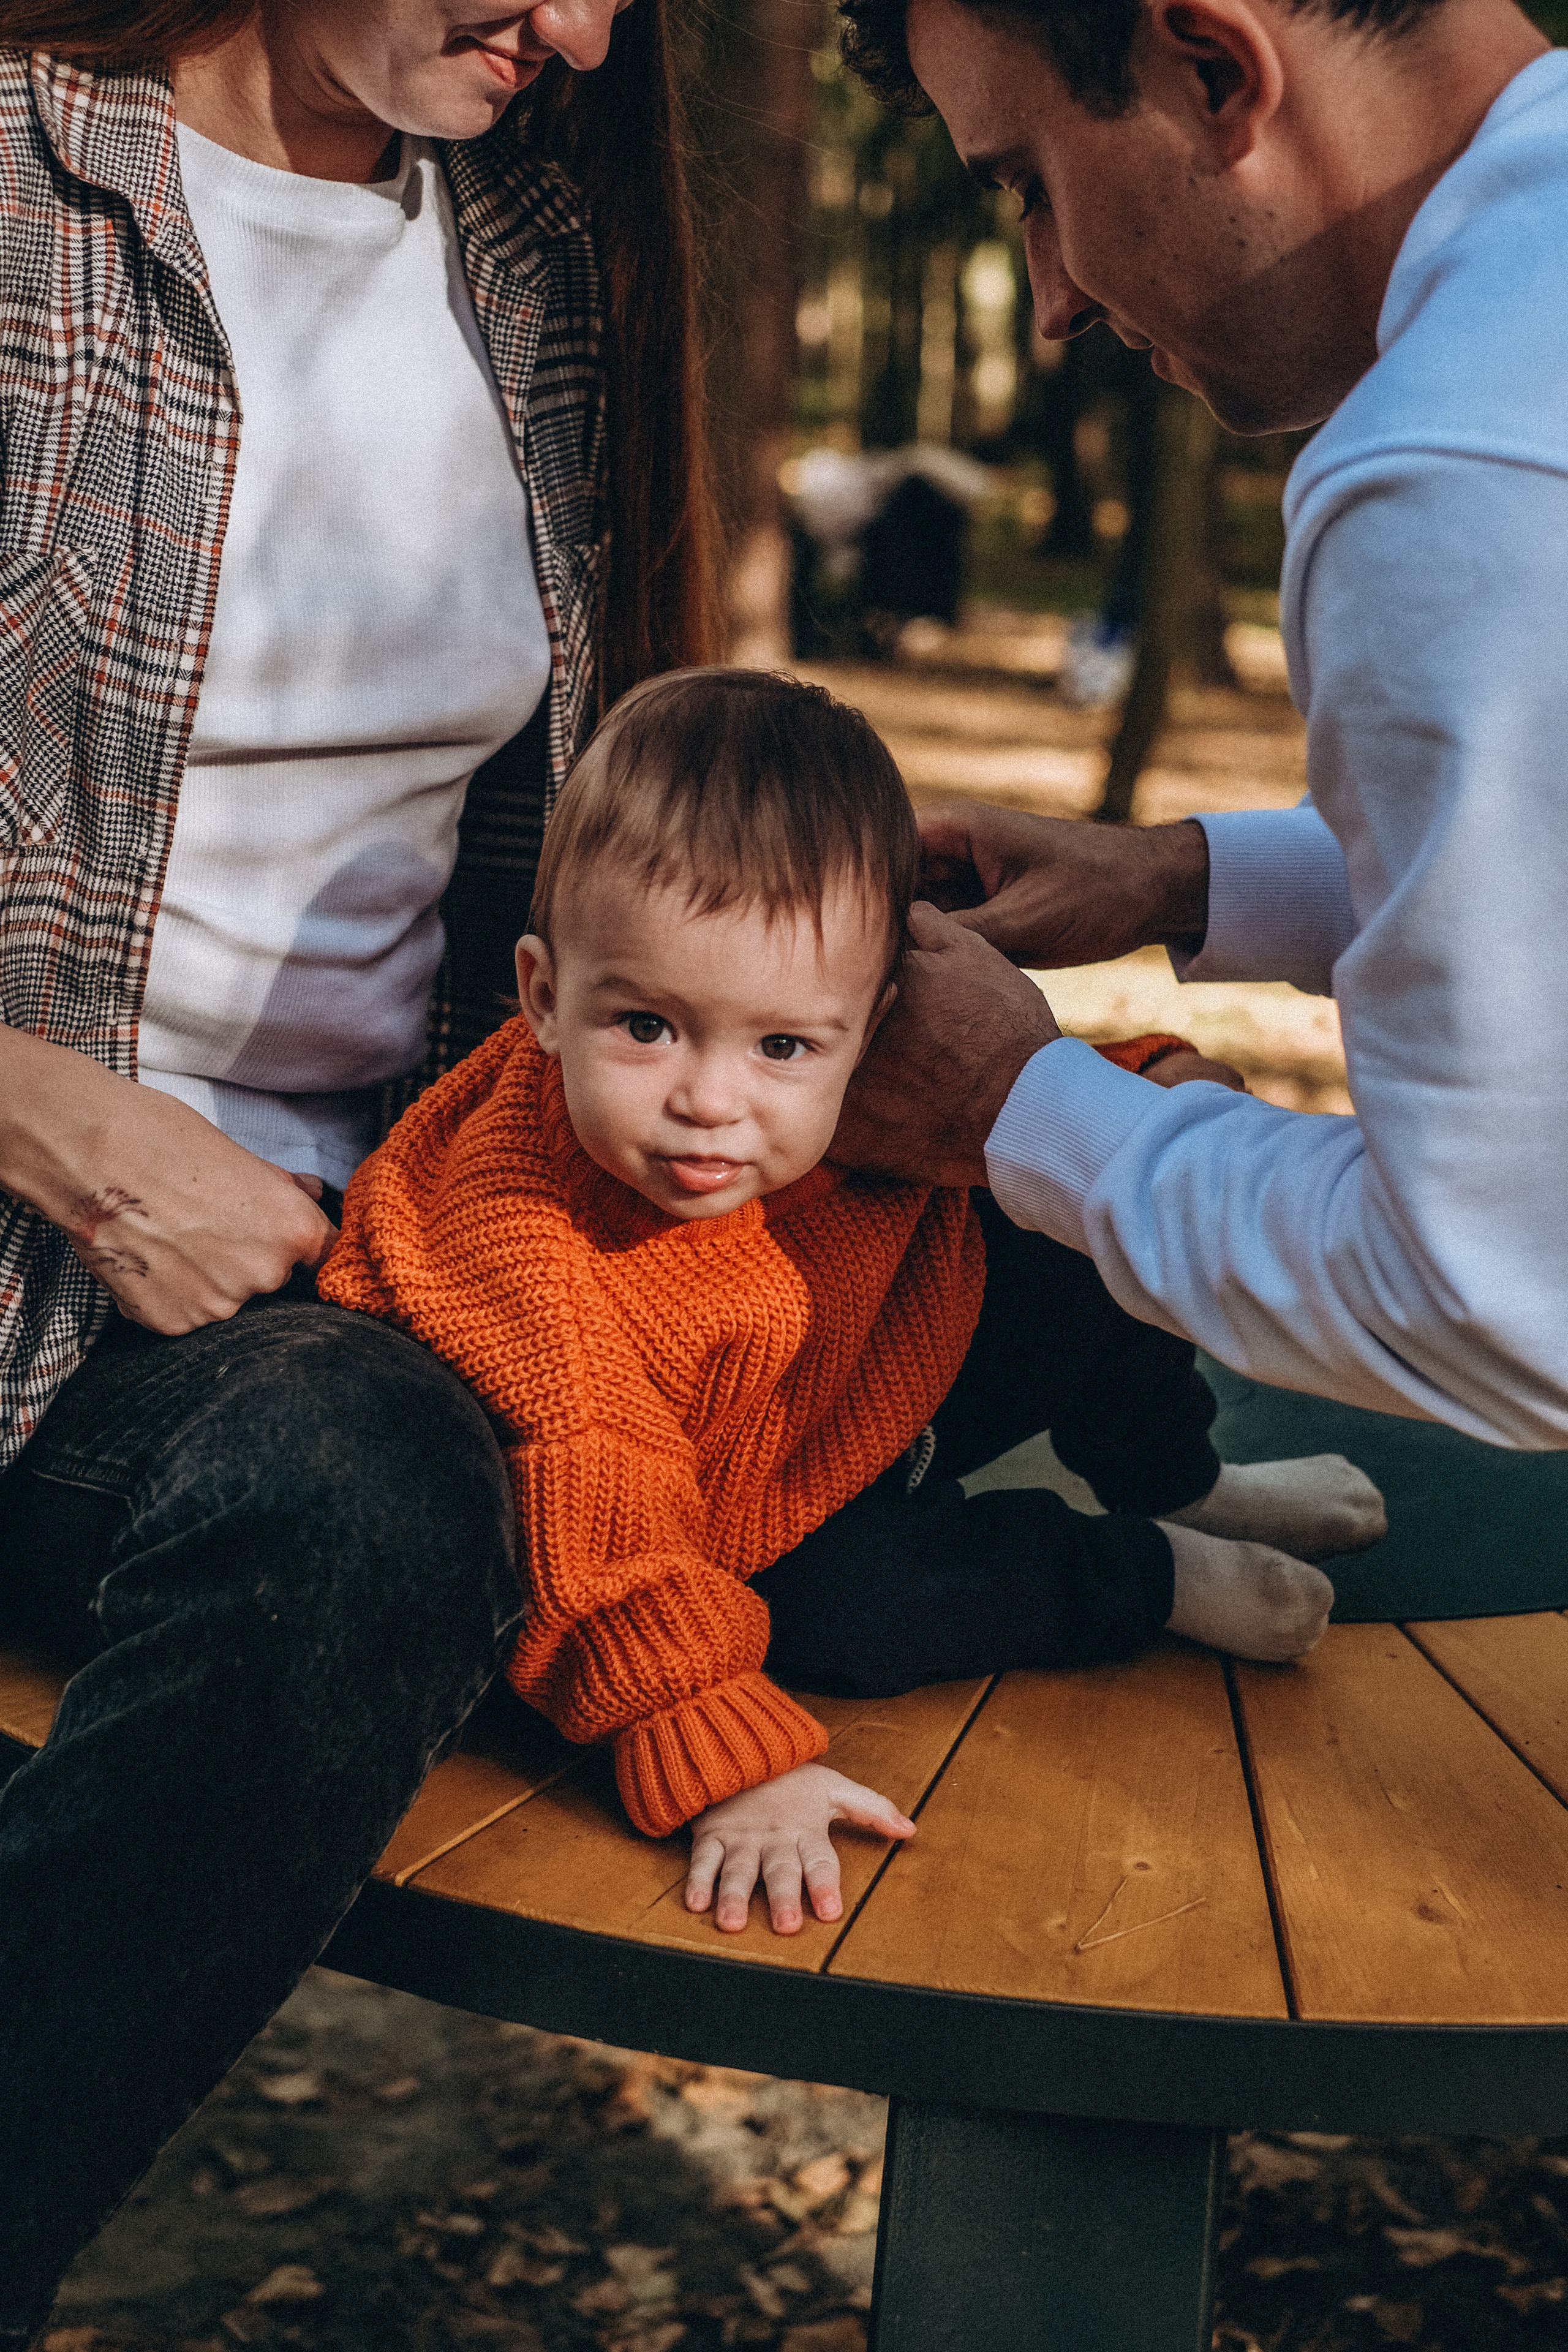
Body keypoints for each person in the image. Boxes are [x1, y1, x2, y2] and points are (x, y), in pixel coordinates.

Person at [0, 0, 714, 2332]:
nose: (585, 31)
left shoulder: (534, 265)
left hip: (386, 1276)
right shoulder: (22, 194)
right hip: (48, 1290)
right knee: (375, 1497)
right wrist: (70, 1131)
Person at [320, 667, 1387, 1936]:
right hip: (720, 1521)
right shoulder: (518, 1231)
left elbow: (1017, 1090)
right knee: (857, 1614)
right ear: (546, 996)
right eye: (648, 1025)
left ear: (874, 1022)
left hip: (873, 1365)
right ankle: (1140, 1570)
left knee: (1075, 1222)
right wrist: (725, 1760)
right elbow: (596, 1518)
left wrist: (1152, 1072)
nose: (712, 1100)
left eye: (781, 1047)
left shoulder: (838, 1071)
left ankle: (1165, 1468)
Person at [830, 0, 1568, 1455]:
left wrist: (1017, 1105)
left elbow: (1505, 1304)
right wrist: (1184, 880)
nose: (1051, 298)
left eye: (1031, 182)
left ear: (1213, 70)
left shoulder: (1449, 467)